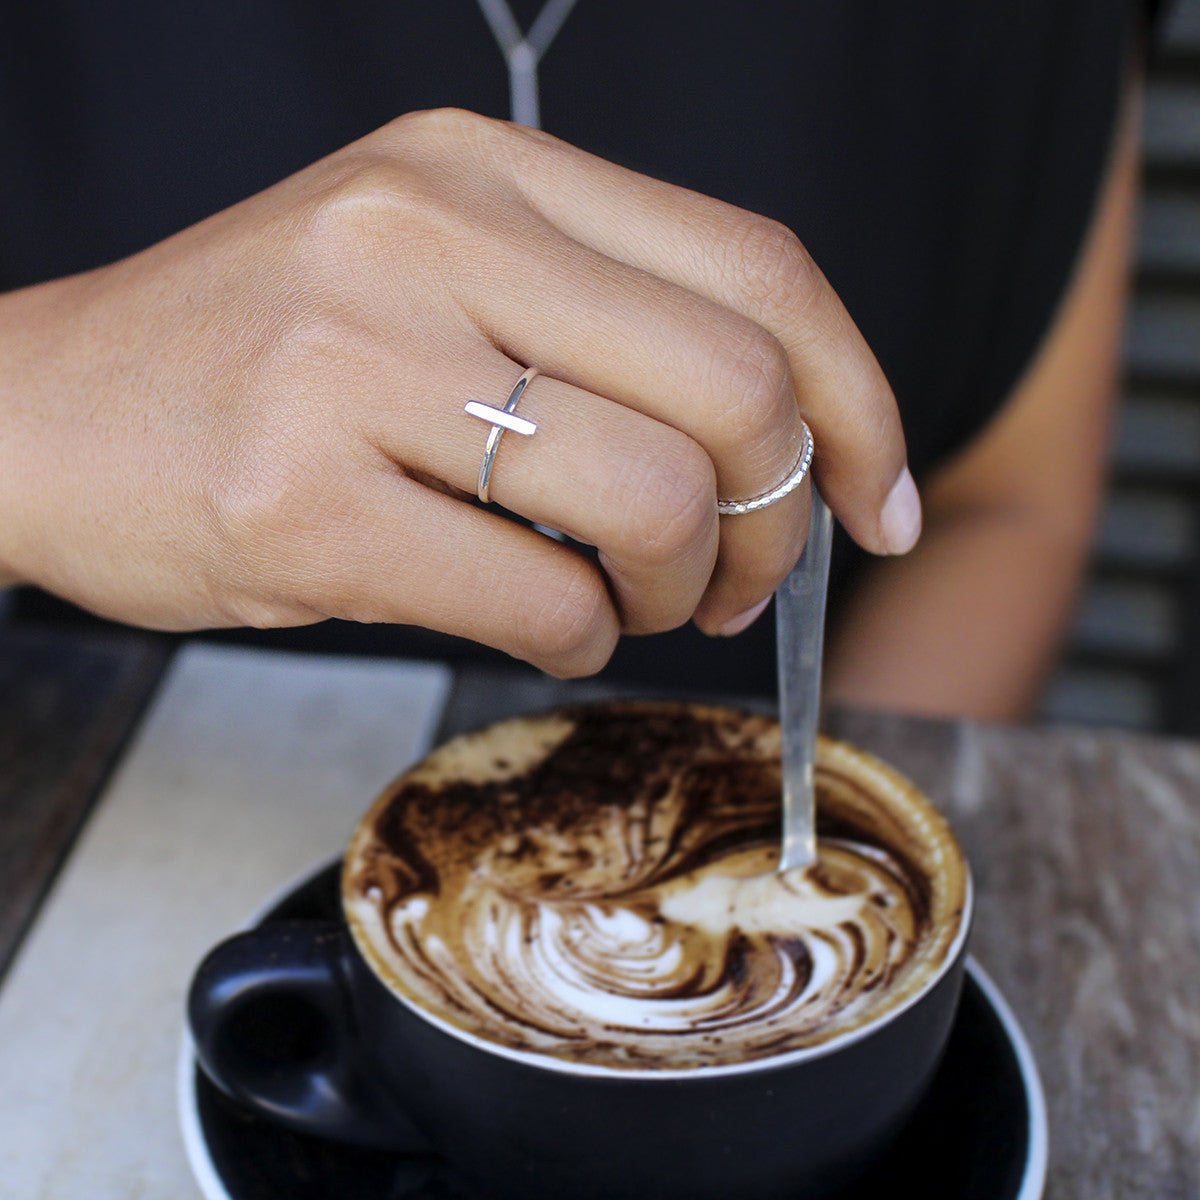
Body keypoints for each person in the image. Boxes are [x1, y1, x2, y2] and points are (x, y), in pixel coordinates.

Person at [0, 2, 1149, 720]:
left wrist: (812, 837)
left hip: (743, 829)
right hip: (117, 859)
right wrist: (39, 416)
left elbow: (1006, 505)